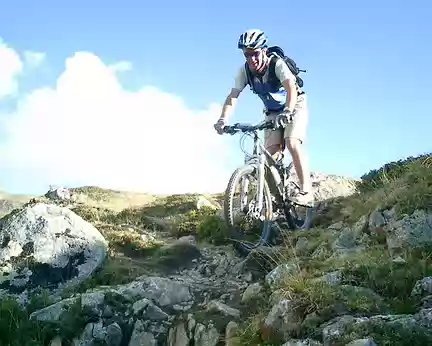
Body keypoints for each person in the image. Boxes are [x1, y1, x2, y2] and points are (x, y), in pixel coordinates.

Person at [213, 29, 313, 206]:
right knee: (269, 158)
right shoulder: (245, 71)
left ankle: (306, 191)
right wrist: (223, 119)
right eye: (247, 55)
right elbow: (233, 96)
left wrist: (288, 111)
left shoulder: (277, 65)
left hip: (295, 104)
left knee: (291, 142)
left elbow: (290, 87)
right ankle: (277, 198)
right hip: (272, 111)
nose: (252, 59)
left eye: (255, 54)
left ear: (264, 51)